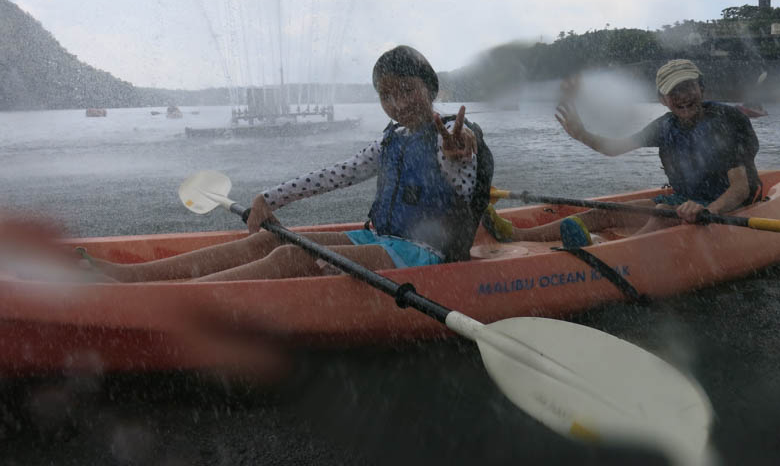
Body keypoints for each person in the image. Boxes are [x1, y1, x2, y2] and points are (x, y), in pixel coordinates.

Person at [81, 46, 494, 282]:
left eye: (408, 90)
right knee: (271, 241)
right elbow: (336, 174)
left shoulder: (454, 139)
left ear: (432, 88)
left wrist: (459, 152)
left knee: (290, 259)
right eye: (387, 95)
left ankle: (162, 303)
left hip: (426, 257)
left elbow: (460, 178)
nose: (398, 103)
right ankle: (133, 279)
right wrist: (270, 197)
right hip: (383, 242)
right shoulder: (392, 141)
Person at [483, 59, 761, 245]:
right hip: (686, 200)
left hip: (730, 206)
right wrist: (582, 135)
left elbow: (739, 188)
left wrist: (706, 210)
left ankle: (607, 252)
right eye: (673, 92)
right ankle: (518, 235)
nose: (683, 97)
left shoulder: (726, 120)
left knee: (663, 210)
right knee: (605, 212)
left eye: (688, 87)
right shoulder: (665, 126)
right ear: (662, 100)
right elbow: (616, 148)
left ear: (701, 87)